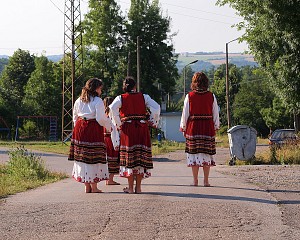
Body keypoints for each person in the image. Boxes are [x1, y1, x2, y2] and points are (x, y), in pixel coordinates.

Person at [109, 76, 160, 194]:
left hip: (128, 129)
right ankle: (138, 187)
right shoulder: (144, 96)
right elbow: (156, 107)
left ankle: (131, 188)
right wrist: (152, 120)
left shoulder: (120, 98)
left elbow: (112, 108)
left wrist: (118, 123)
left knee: (129, 157)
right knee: (140, 156)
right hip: (142, 128)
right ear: (135, 86)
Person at [68, 78, 112, 193]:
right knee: (94, 156)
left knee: (83, 157)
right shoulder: (97, 101)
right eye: (100, 88)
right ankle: (94, 187)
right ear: (96, 88)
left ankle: (87, 186)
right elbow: (100, 118)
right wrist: (109, 126)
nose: (101, 91)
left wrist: (77, 128)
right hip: (92, 128)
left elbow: (75, 117)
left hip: (80, 128)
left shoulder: (79, 100)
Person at [180, 72, 220, 187]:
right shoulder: (211, 96)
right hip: (207, 127)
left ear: (194, 82)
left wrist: (184, 127)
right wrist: (216, 126)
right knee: (206, 153)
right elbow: (215, 112)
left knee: (194, 153)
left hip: (194, 127)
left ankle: (195, 180)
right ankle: (206, 181)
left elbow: (185, 113)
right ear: (206, 82)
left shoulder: (190, 96)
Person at [103, 96, 120, 185]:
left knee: (106, 159)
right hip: (111, 138)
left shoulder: (102, 114)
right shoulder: (113, 114)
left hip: (103, 138)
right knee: (113, 158)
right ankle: (110, 179)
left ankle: (107, 178)